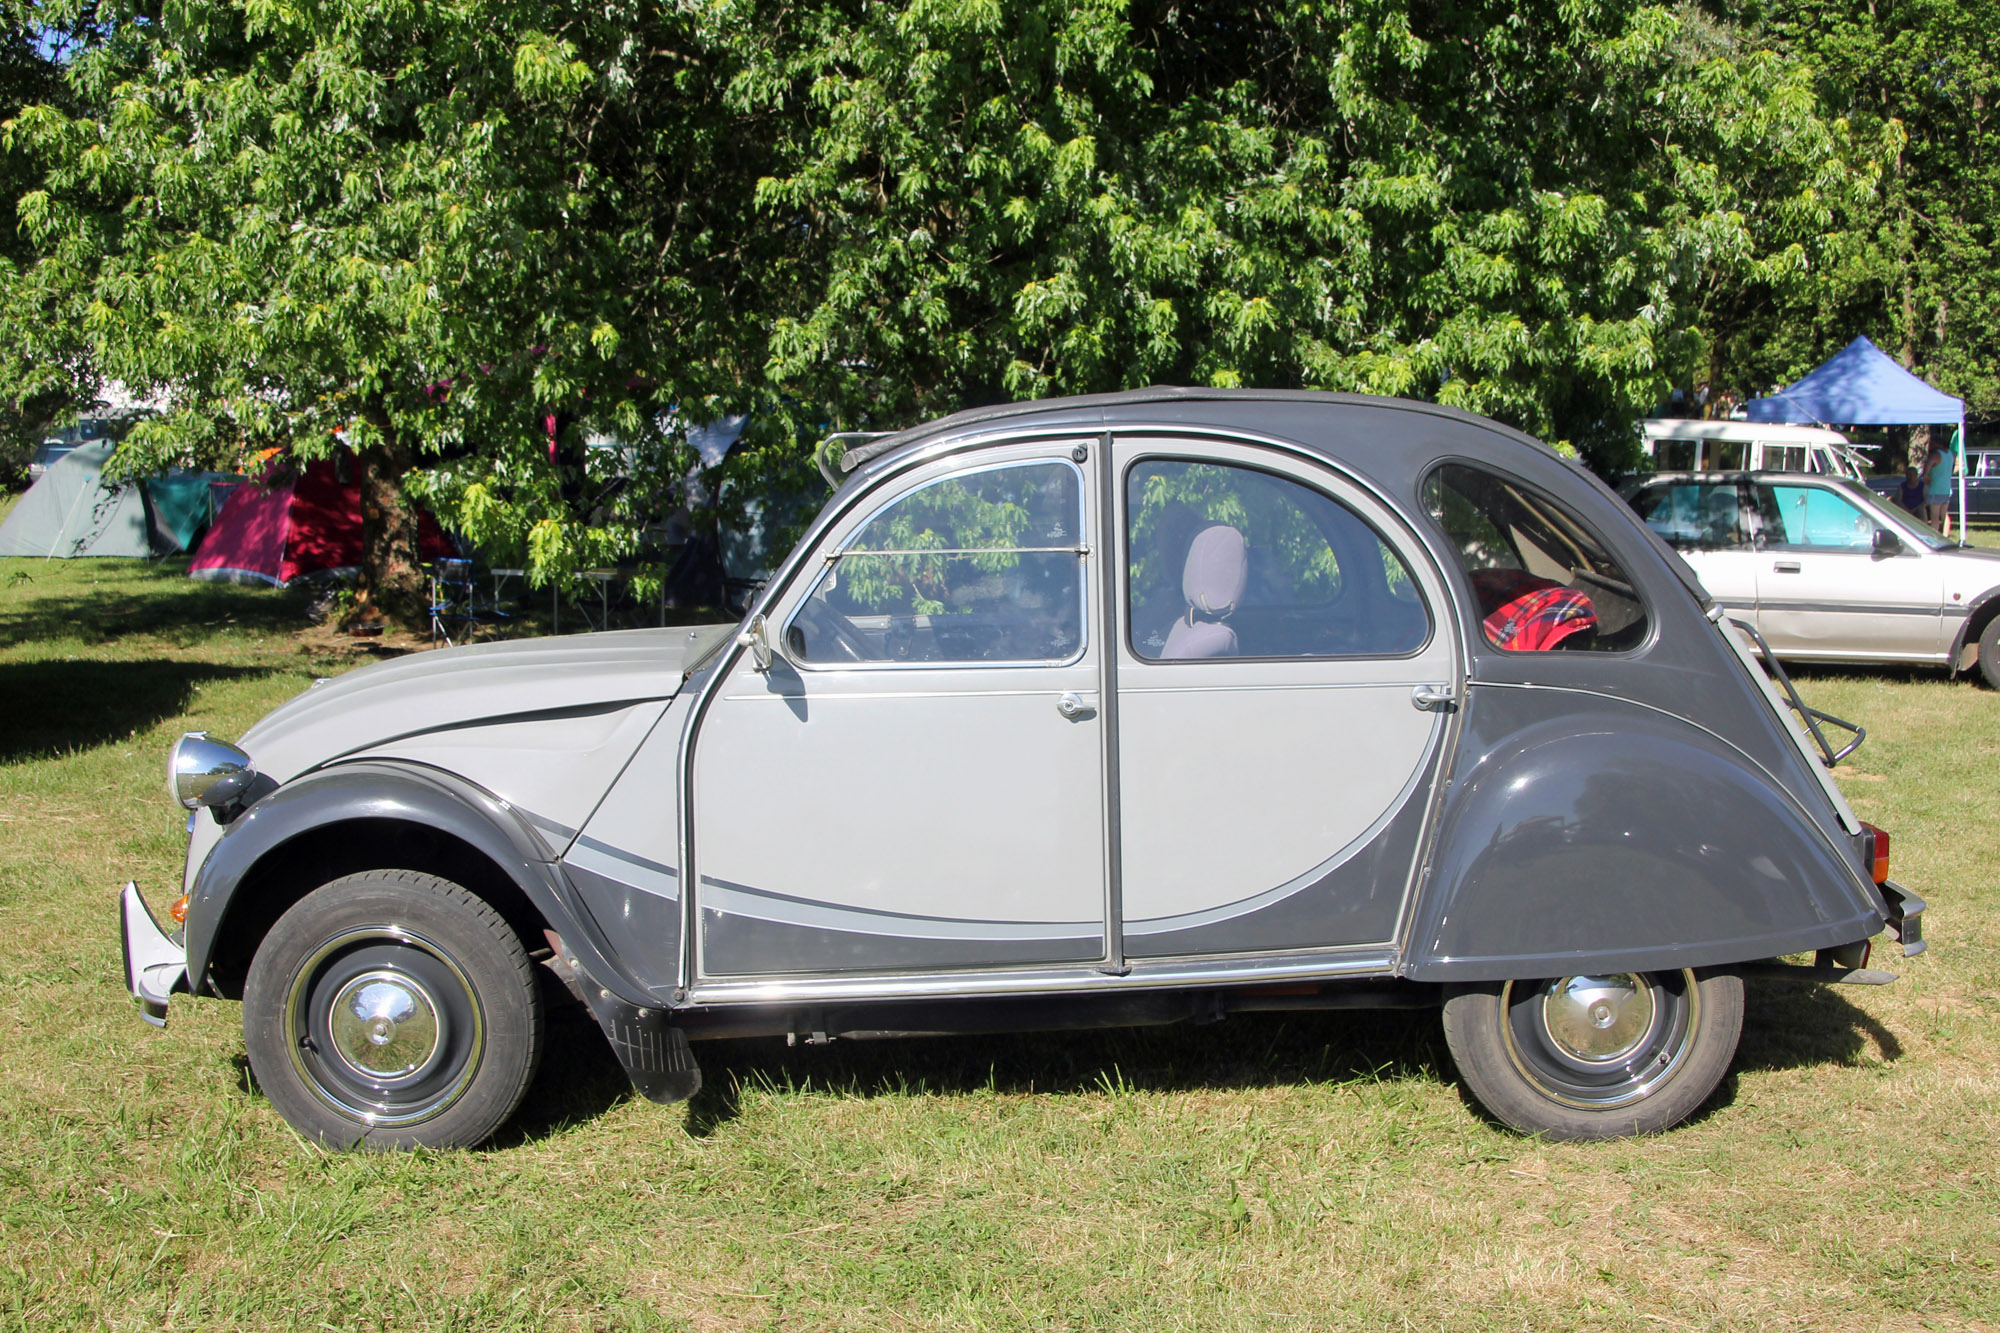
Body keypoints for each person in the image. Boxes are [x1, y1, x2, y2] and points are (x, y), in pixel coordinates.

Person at [1924, 444, 1955, 536]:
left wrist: (1926, 475)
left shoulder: (1936, 455)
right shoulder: (1950, 454)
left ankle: (1934, 536)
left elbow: (1928, 466)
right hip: (1946, 489)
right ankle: (1946, 534)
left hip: (1935, 489)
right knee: (1944, 514)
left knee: (1934, 516)